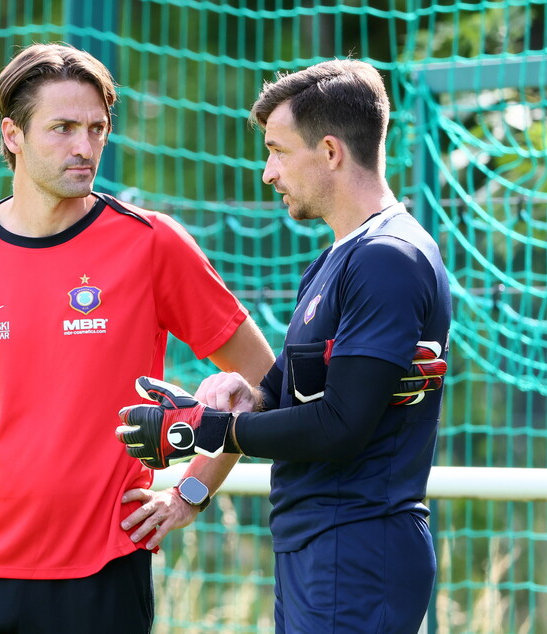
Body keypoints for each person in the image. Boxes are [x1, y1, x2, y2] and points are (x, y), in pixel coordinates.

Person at [0, 42, 276, 633]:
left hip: (105, 575)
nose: (84, 148)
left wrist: (191, 492)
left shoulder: (152, 244)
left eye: (96, 128)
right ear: (12, 135)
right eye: (62, 128)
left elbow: (263, 383)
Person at [116, 58, 452, 634]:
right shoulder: (334, 259)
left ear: (329, 151)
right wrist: (224, 421)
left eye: (278, 150)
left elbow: (343, 425)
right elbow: (275, 403)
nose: (267, 172)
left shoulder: (387, 259)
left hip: (360, 549)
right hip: (319, 549)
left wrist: (200, 430)